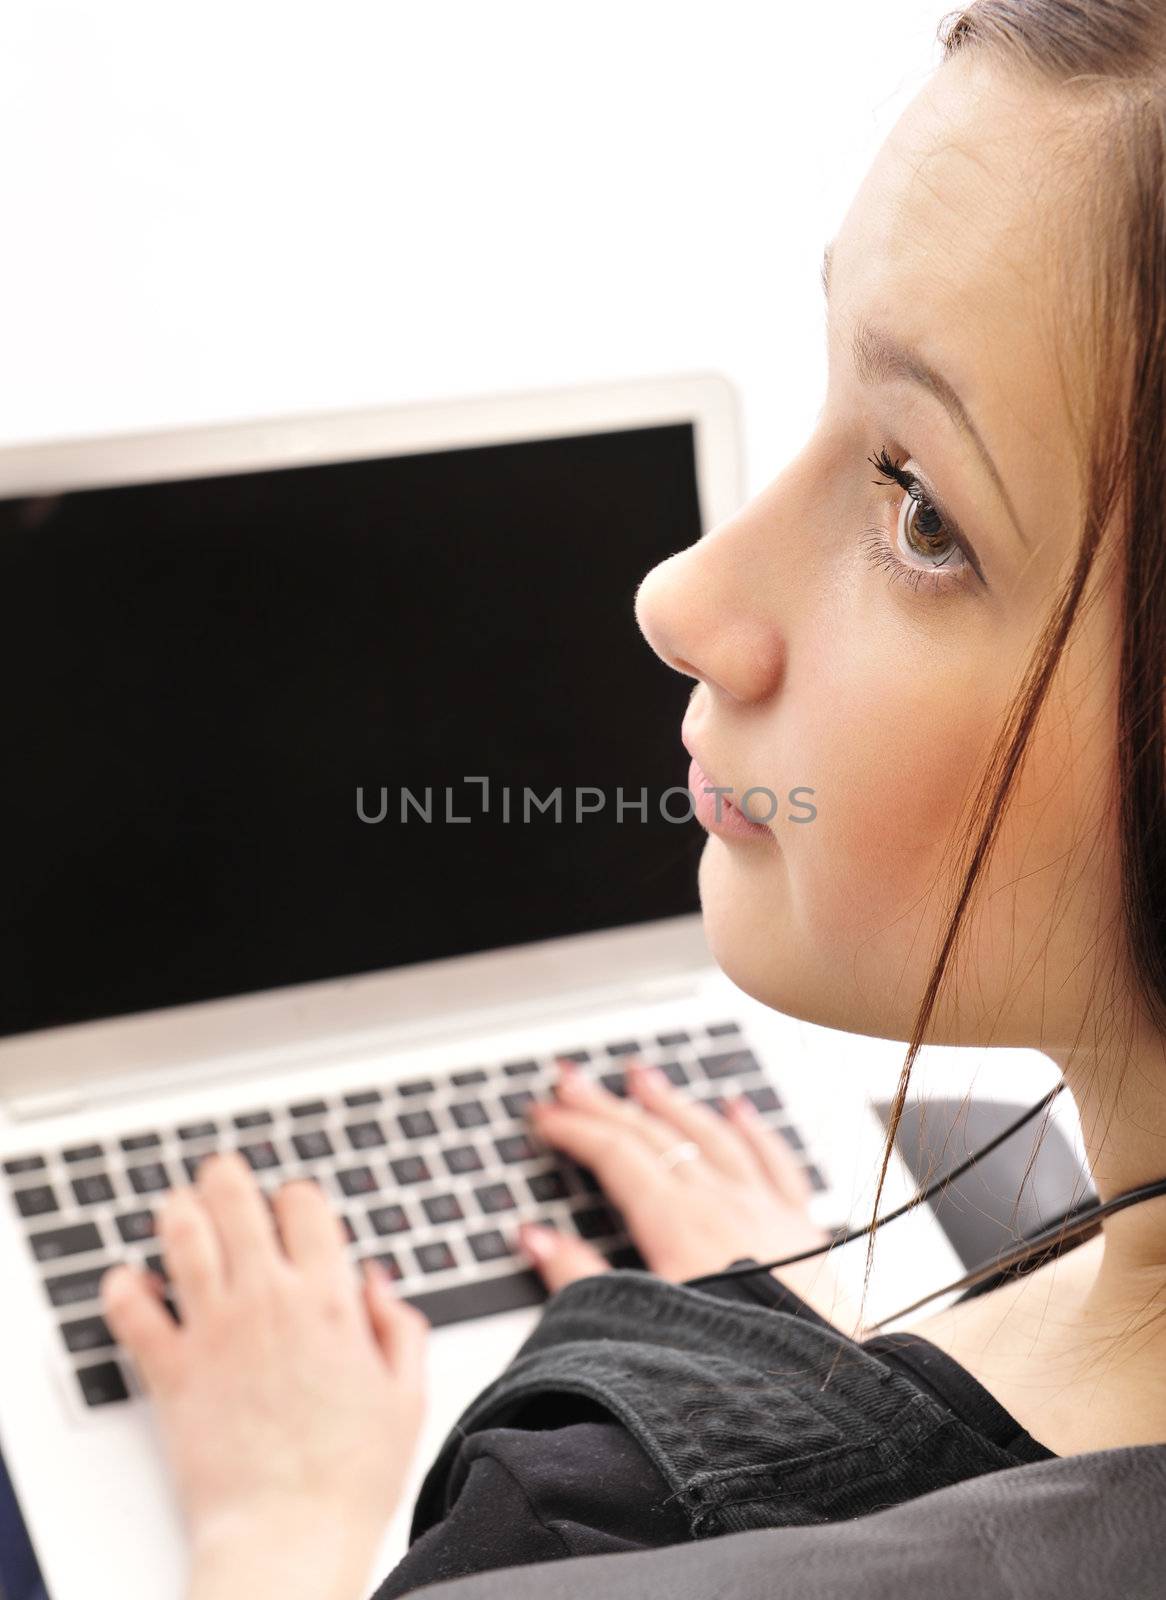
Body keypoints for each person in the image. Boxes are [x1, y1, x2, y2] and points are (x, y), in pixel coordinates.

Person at [97, 2, 1166, 1597]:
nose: (677, 596)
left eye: (922, 509)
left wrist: (282, 1526)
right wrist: (838, 1339)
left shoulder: (579, 1534)